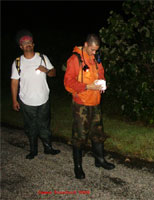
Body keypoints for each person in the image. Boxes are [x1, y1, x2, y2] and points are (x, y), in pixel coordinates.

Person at [64, 34, 115, 180]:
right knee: (79, 137)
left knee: (98, 135)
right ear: (86, 44)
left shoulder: (95, 58)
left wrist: (102, 83)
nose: (94, 53)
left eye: (96, 50)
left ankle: (100, 160)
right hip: (81, 104)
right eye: (92, 50)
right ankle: (78, 167)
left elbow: (101, 72)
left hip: (96, 103)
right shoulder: (74, 59)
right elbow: (68, 83)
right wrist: (87, 86)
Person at [11, 29, 60, 160]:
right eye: (24, 43)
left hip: (43, 99)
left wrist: (46, 70)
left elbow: (54, 73)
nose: (27, 45)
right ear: (21, 46)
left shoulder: (43, 58)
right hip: (26, 101)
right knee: (30, 127)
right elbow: (14, 82)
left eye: (29, 42)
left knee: (44, 126)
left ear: (33, 44)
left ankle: (48, 148)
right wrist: (14, 101)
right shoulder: (17, 63)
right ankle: (33, 150)